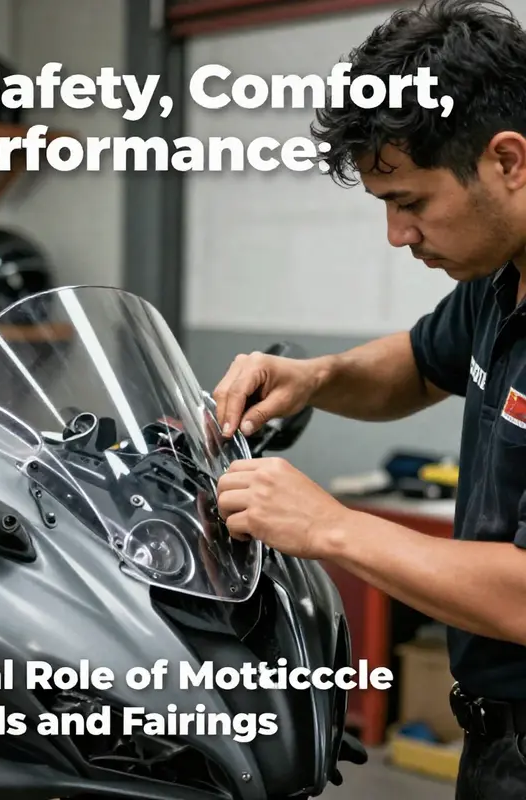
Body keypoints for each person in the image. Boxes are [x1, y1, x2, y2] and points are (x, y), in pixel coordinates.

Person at [212, 0, 526, 796]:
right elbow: (420, 365)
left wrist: (331, 527)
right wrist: (315, 377)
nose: (396, 236)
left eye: (410, 203)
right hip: (497, 733)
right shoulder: (500, 282)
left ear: (509, 161)